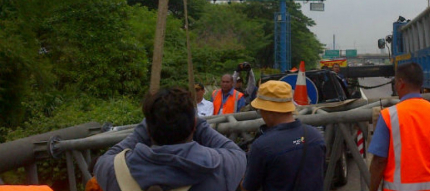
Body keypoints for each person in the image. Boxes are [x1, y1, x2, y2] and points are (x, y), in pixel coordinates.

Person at [94, 87, 246, 191]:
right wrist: (198, 123)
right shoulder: (221, 169)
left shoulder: (113, 172)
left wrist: (149, 122)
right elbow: (235, 152)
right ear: (193, 124)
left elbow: (108, 157)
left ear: (148, 129)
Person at [368, 62, 430, 191]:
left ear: (401, 82)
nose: (396, 87)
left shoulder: (389, 115)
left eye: (395, 82)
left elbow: (379, 161)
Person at [242, 80, 326, 191]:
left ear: (268, 110)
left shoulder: (263, 145)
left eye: (260, 110)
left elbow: (247, 187)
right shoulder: (315, 136)